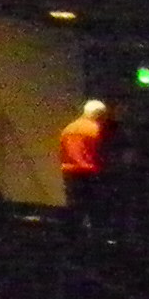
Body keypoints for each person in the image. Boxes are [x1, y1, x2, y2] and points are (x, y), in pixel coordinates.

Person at [54, 96, 110, 236]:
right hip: (90, 172)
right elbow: (101, 152)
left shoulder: (68, 129)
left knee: (74, 206)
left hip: (70, 172)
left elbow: (62, 151)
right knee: (94, 208)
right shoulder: (96, 130)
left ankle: (72, 237)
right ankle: (95, 240)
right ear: (99, 114)